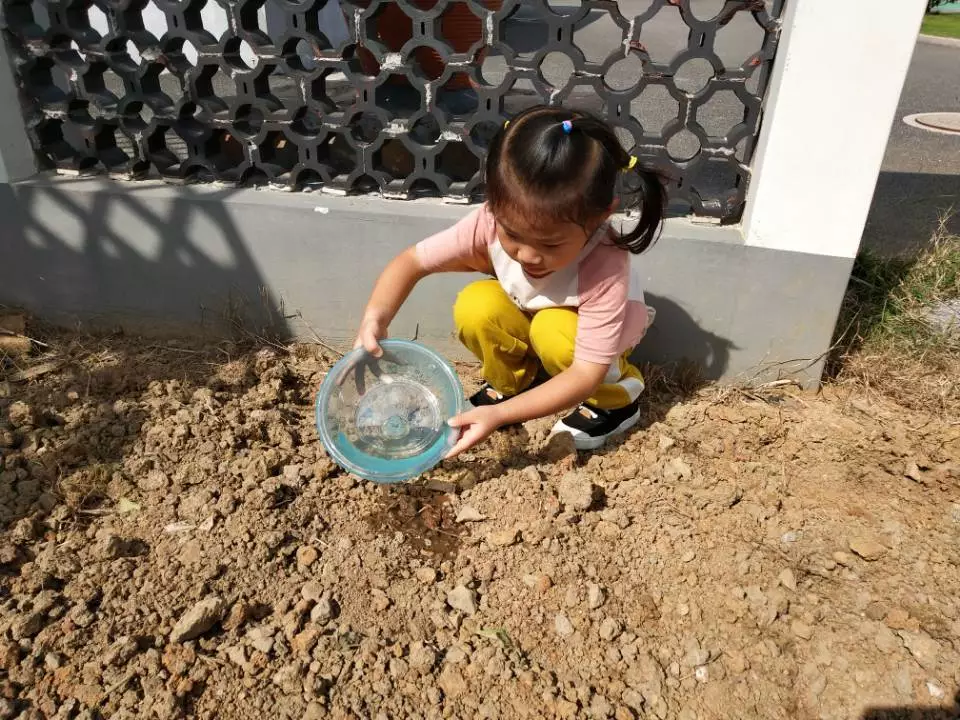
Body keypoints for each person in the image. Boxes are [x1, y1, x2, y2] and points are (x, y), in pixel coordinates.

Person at [353, 105, 666, 457]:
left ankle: (614, 404)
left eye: (550, 244)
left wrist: (499, 417)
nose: (528, 255)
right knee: (477, 306)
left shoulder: (605, 264)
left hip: (588, 344)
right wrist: (374, 319)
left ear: (600, 216)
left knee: (553, 331)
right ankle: (512, 383)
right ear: (494, 204)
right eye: (513, 235)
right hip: (535, 310)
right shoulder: (487, 224)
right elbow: (411, 262)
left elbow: (585, 373)